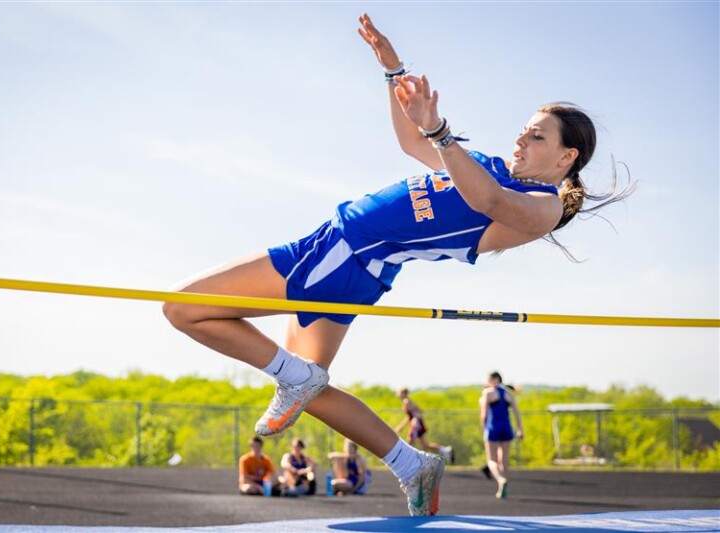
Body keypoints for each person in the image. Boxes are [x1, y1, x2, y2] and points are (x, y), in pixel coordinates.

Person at [163, 13, 631, 517]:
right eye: (523, 131)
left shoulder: (544, 205)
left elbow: (489, 201)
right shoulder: (486, 165)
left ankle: (295, 378)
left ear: (567, 157)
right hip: (344, 252)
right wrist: (393, 73)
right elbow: (413, 142)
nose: (520, 141)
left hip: (346, 254)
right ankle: (410, 464)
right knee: (308, 387)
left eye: (537, 137)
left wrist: (441, 131)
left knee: (183, 307)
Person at [479, 372, 523, 499]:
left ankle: (500, 480)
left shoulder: (488, 393)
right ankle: (502, 489)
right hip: (507, 428)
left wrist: (483, 429)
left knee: (491, 460)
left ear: (494, 379)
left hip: (493, 428)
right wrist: (520, 429)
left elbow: (484, 414)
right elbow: (516, 413)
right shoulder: (509, 393)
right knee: (503, 462)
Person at [394, 388, 454, 464]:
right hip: (417, 424)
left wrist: (415, 419)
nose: (398, 394)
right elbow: (411, 415)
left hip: (416, 425)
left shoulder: (407, 402)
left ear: (404, 393)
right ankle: (444, 450)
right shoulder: (407, 402)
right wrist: (401, 426)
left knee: (409, 443)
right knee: (425, 445)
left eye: (399, 393)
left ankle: (409, 462)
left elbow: (418, 412)